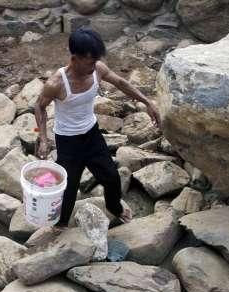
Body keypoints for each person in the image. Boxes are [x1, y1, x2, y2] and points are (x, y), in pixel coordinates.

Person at [34, 27, 161, 228]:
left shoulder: (97, 69)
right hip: (68, 141)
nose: (95, 66)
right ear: (74, 58)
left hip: (92, 135)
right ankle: (60, 225)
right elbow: (39, 107)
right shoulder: (56, 83)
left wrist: (148, 102)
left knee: (111, 177)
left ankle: (114, 208)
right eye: (90, 61)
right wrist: (43, 138)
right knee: (68, 187)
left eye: (96, 60)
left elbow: (121, 83)